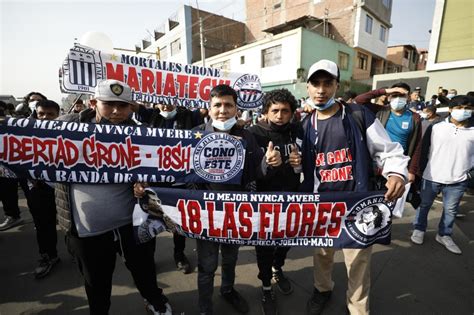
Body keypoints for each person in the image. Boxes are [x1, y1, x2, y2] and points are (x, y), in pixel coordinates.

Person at [300, 60, 408, 315]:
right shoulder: (305, 125)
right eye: (316, 84)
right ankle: (322, 289)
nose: (321, 90)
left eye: (328, 83)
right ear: (307, 87)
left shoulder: (359, 115)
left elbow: (389, 150)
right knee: (322, 255)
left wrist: (396, 174)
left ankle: (358, 308)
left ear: (338, 85)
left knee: (358, 261)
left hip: (357, 206)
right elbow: (302, 168)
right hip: (322, 207)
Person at [55, 80, 171, 315]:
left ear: (132, 107)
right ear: (93, 103)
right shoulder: (64, 129)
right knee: (96, 281)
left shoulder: (141, 134)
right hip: (87, 229)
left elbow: (157, 171)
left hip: (132, 223)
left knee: (144, 269)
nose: (117, 111)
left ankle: (154, 301)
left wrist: (145, 186)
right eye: (109, 105)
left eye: (123, 105)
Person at [192, 84, 279, 315]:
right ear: (209, 109)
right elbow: (182, 176)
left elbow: (256, 173)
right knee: (207, 266)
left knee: (230, 259)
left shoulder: (246, 137)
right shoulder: (195, 135)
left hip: (235, 214)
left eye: (228, 105)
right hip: (205, 215)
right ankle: (204, 308)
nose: (222, 110)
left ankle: (227, 290)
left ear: (236, 109)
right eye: (217, 105)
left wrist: (267, 163)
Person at [248, 88, 302, 314]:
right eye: (275, 110)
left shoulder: (298, 131)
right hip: (263, 201)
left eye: (285, 111)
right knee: (264, 247)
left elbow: (308, 166)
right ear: (266, 112)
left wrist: (299, 164)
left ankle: (277, 269)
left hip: (291, 197)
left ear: (292, 113)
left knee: (287, 240)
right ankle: (266, 286)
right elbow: (250, 171)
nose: (280, 115)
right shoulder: (253, 133)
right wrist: (267, 165)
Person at [134, 101, 203, 274]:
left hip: (181, 179)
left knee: (177, 222)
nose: (165, 107)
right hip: (155, 180)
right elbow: (132, 105)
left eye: (169, 103)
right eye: (161, 103)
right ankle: (149, 259)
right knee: (152, 219)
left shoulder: (190, 116)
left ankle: (179, 255)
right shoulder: (150, 115)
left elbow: (204, 107)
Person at [410, 95, 474, 255]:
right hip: (431, 176)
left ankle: (444, 234)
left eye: (468, 108)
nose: (464, 111)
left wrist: (469, 174)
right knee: (424, 205)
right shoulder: (436, 127)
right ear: (451, 109)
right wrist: (421, 171)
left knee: (451, 210)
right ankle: (419, 229)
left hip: (458, 179)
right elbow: (423, 149)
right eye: (459, 108)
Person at [354, 82, 422, 186]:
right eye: (395, 95)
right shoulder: (380, 111)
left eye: (402, 95)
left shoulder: (414, 118)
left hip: (399, 166)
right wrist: (385, 91)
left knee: (393, 198)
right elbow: (359, 100)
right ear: (389, 97)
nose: (398, 98)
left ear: (408, 97)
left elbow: (417, 145)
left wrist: (412, 171)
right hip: (377, 164)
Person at [27, 100, 61, 278]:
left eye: (50, 114)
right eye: (41, 114)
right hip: (39, 187)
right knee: (43, 225)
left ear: (58, 114)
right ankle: (48, 256)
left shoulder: (70, 134)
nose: (45, 118)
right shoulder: (26, 135)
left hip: (65, 188)